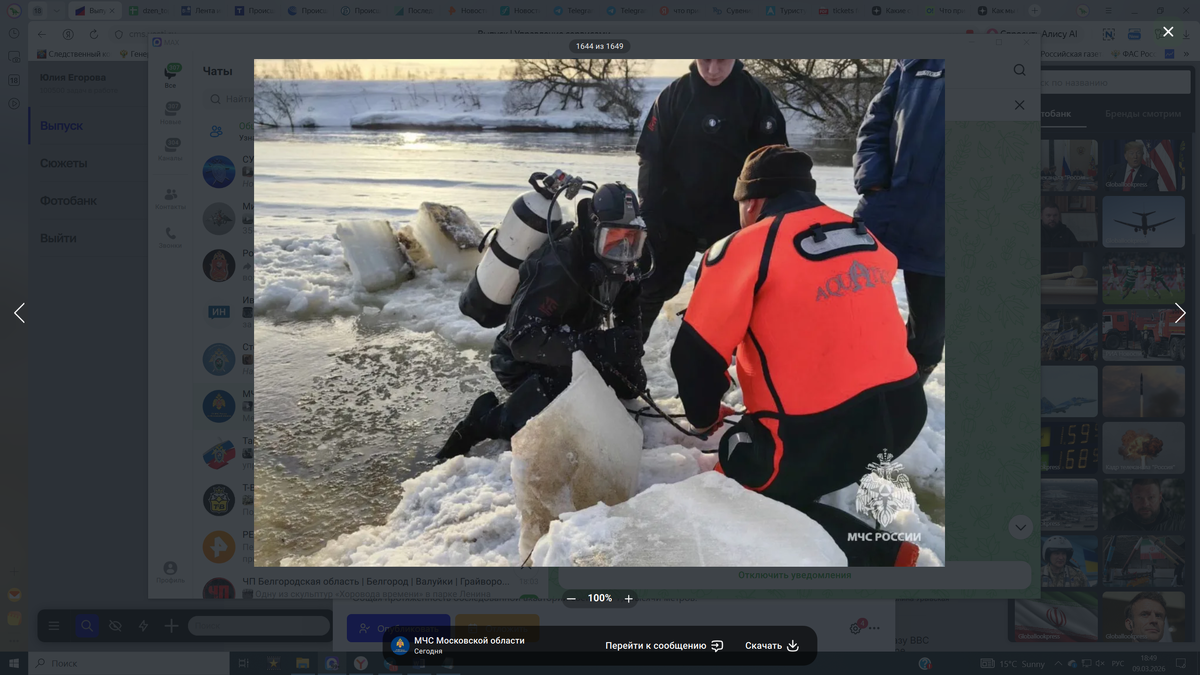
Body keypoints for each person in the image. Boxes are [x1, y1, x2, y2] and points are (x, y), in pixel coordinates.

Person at [670, 145, 928, 567]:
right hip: (904, 415)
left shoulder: (743, 247)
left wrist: (704, 420)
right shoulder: (861, 233)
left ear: (751, 202)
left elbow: (693, 358)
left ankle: (883, 556)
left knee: (738, 488)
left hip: (816, 437)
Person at [435, 183, 649, 461]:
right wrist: (599, 346)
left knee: (631, 386)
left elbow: (629, 311)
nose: (623, 249)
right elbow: (523, 340)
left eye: (631, 240)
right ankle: (487, 420)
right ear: (595, 229)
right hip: (521, 359)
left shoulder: (621, 264)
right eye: (614, 238)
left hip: (574, 345)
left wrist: (628, 348)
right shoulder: (558, 267)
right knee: (569, 400)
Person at [634, 58, 788, 341]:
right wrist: (649, 213)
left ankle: (713, 367)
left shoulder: (755, 96)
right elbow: (651, 158)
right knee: (651, 288)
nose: (713, 70)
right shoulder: (674, 95)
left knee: (725, 298)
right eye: (705, 60)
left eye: (722, 60)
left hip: (731, 217)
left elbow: (773, 162)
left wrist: (768, 217)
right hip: (674, 214)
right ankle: (626, 359)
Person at [853, 59, 946, 385]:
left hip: (943, 227)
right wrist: (873, 183)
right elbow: (876, 123)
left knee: (929, 328)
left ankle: (906, 389)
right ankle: (844, 378)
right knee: (847, 302)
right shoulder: (916, 56)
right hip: (887, 208)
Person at [1105, 479, 1186, 531]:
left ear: (1160, 498)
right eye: (1139, 497)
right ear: (1132, 498)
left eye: (1151, 497)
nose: (1145, 504)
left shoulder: (1179, 524)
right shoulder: (1116, 525)